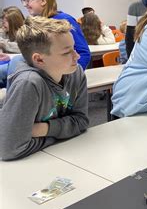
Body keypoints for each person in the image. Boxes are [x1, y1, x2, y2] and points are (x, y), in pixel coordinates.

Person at [0, 16, 89, 160]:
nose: (77, 56)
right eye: (67, 52)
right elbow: (9, 149)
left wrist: (44, 129)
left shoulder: (76, 72)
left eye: (74, 48)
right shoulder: (29, 83)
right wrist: (56, 136)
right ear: (39, 59)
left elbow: (81, 121)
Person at [20, 0, 91, 70]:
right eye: (23, 0)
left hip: (62, 76)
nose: (25, 4)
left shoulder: (64, 20)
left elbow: (84, 53)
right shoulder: (35, 23)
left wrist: (72, 77)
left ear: (43, 1)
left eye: (28, 0)